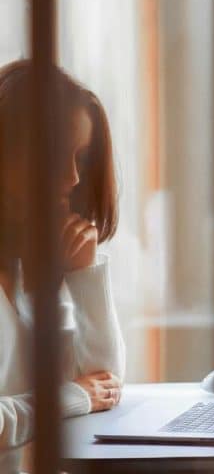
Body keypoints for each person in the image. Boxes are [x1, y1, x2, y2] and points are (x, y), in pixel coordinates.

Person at [0, 60, 126, 472]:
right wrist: (70, 397)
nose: (73, 177)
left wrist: (85, 276)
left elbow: (104, 382)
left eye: (80, 158)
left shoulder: (23, 273)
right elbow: (82, 393)